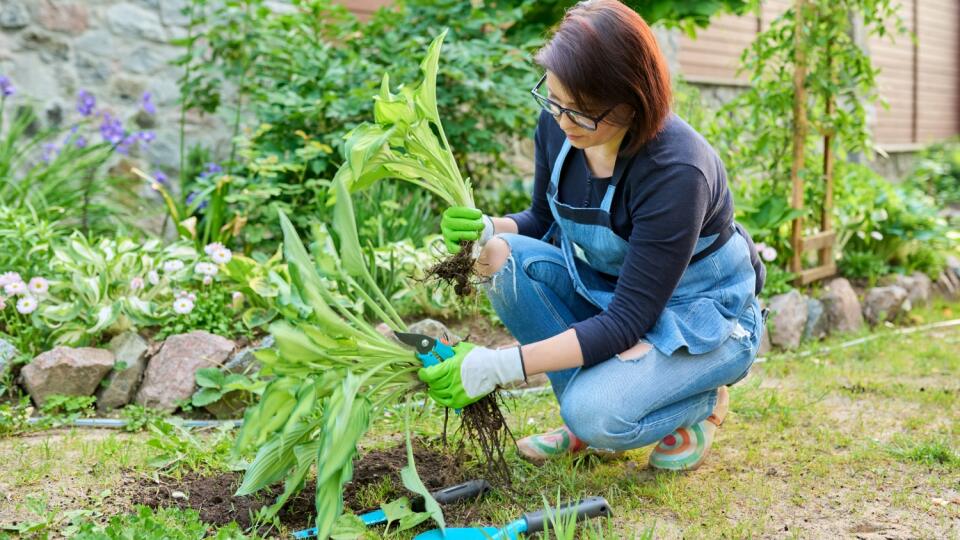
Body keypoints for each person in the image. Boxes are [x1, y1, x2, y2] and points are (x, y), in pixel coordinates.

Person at [417, 0, 766, 471]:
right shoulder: (559, 124)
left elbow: (627, 321)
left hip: (703, 318)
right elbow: (541, 219)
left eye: (584, 112)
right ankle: (578, 417)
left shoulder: (677, 171)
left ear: (634, 98)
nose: (564, 121)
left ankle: (702, 400)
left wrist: (498, 366)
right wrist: (488, 226)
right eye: (556, 100)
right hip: (618, 299)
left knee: (598, 415)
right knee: (498, 257)